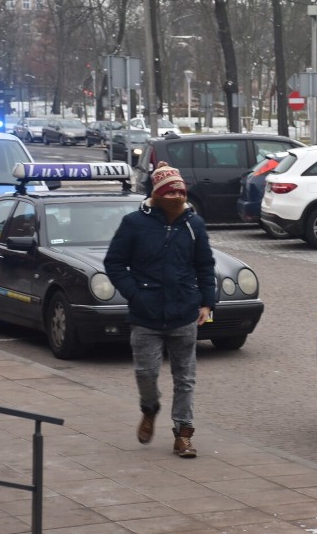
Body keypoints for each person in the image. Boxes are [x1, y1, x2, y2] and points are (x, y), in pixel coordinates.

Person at [104, 162, 215, 458]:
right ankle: (149, 408)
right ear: (158, 195)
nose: (178, 199)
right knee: (146, 372)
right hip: (146, 315)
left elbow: (205, 265)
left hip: (184, 312)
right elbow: (114, 263)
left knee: (185, 377)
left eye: (182, 193)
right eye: (172, 194)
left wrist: (206, 303)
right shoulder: (134, 223)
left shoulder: (194, 225)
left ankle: (183, 434)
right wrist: (134, 294)